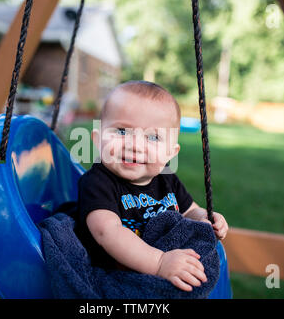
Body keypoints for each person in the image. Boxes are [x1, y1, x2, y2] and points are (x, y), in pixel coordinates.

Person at [75, 80, 228, 292]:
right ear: (97, 139)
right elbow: (108, 232)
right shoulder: (97, 182)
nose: (135, 145)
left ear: (170, 153)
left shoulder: (167, 179)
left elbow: (190, 210)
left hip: (165, 261)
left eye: (153, 137)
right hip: (117, 273)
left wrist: (205, 217)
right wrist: (159, 262)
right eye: (121, 131)